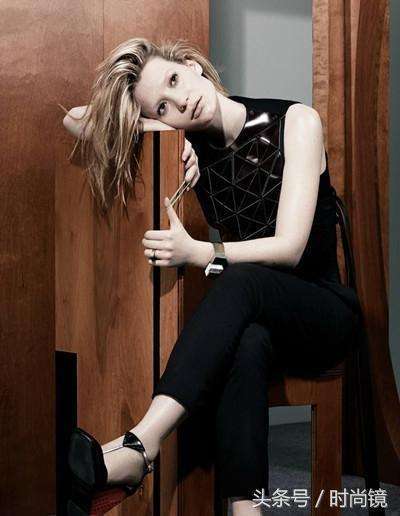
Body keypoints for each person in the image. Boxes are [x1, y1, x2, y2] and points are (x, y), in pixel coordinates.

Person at [62, 37, 361, 516]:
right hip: (261, 319)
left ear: (193, 66)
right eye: (164, 105)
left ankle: (141, 444)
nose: (180, 101)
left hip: (322, 311)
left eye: (175, 80)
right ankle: (246, 510)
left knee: (238, 281)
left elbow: (288, 249)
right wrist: (160, 128)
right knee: (248, 342)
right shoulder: (189, 148)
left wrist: (200, 252)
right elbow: (75, 120)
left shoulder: (297, 122)